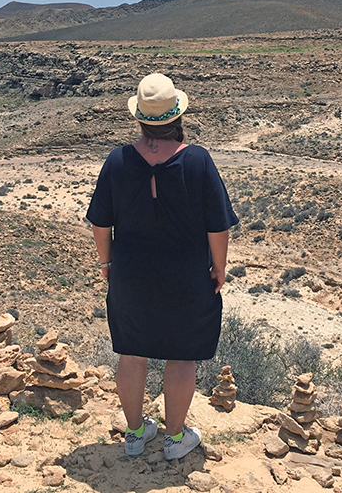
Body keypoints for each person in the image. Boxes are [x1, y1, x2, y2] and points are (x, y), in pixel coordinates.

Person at [87, 73, 238, 460]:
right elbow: (217, 224)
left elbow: (100, 223)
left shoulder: (118, 161)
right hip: (186, 276)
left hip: (131, 274)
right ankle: (174, 440)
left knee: (132, 353)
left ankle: (135, 435)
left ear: (139, 118)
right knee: (180, 354)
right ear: (176, 117)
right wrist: (218, 267)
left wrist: (107, 262)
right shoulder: (198, 160)